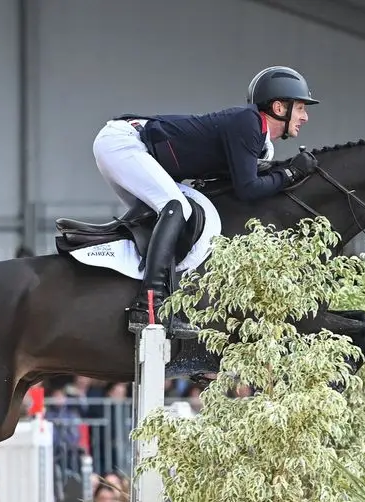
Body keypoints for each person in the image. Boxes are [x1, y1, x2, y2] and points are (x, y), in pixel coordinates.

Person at [92, 66, 321, 337]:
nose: (305, 117)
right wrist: (291, 172)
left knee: (170, 220)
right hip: (124, 143)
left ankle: (151, 296)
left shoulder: (261, 142)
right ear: (279, 107)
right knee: (175, 207)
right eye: (301, 108)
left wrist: (285, 174)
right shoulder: (248, 123)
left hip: (137, 149)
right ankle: (148, 307)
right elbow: (248, 189)